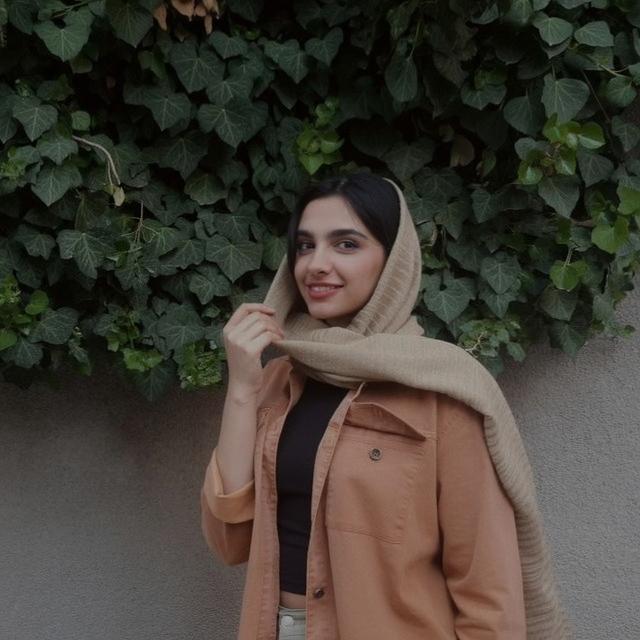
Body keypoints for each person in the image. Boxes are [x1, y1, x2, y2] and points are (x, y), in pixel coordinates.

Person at [200, 173, 572, 639]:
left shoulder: (441, 391)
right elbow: (230, 542)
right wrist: (240, 390)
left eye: (346, 244)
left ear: (393, 261)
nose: (317, 264)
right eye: (305, 245)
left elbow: (487, 589)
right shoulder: (278, 379)